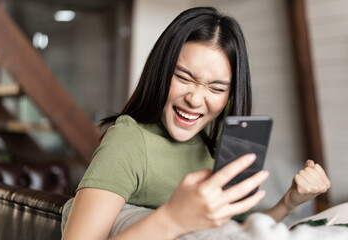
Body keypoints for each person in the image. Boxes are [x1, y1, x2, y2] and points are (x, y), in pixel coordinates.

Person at [62, 7, 331, 240]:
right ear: (161, 71)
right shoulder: (128, 141)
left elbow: (237, 231)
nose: (195, 99)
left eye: (216, 88)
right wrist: (173, 219)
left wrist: (290, 201)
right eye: (184, 77)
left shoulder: (225, 140)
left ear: (230, 94)